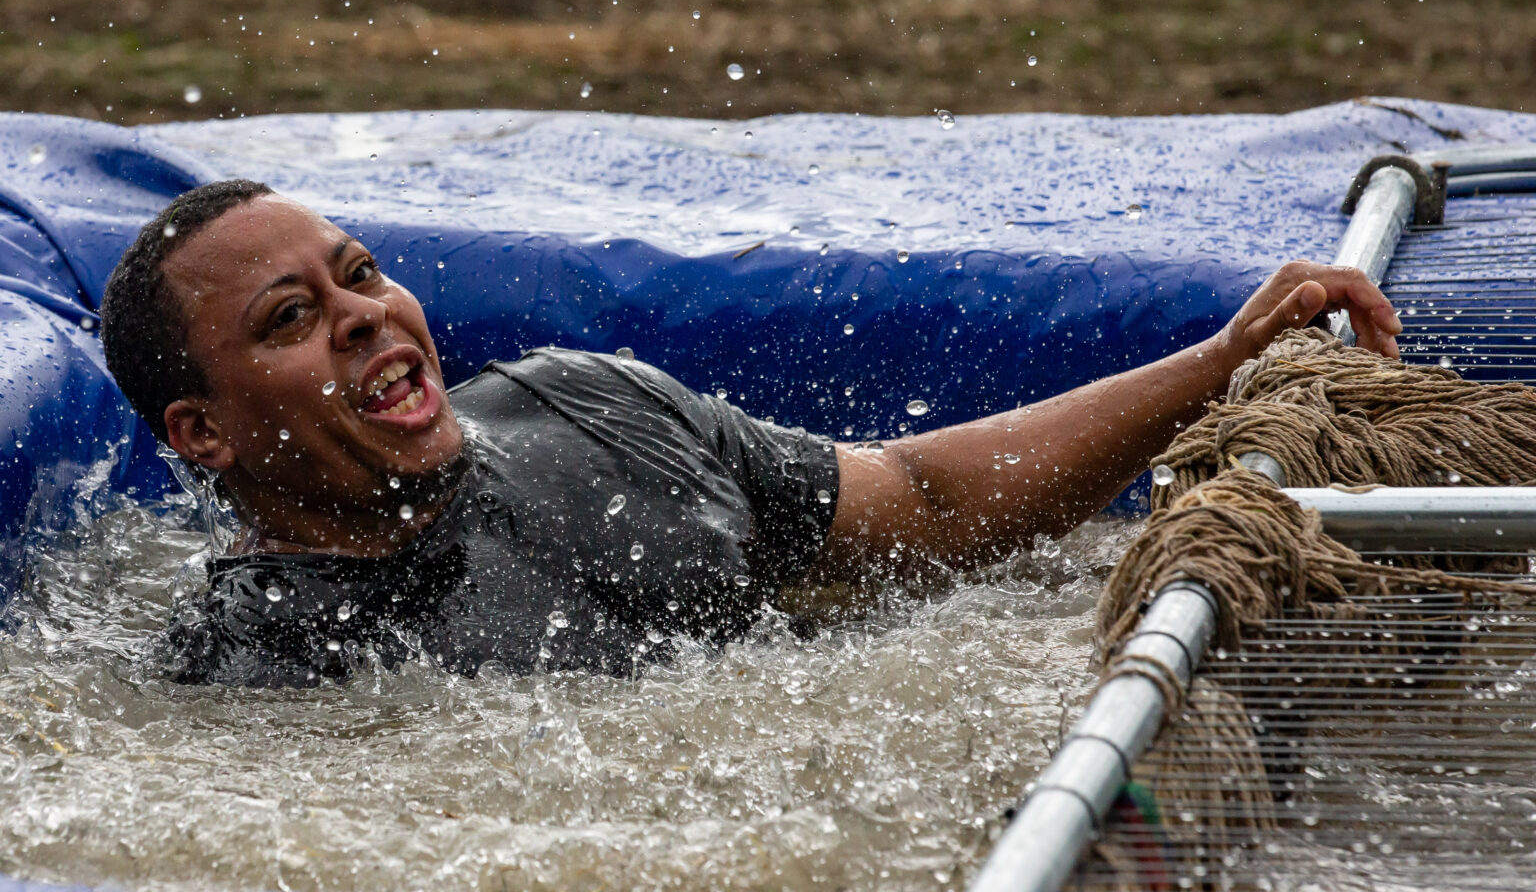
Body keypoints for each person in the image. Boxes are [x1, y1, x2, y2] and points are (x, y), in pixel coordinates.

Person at [99, 180, 1402, 686]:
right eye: (290, 317)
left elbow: (927, 508)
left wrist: (1221, 366)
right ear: (202, 433)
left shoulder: (588, 408)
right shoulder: (255, 668)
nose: (366, 316)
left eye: (363, 272)